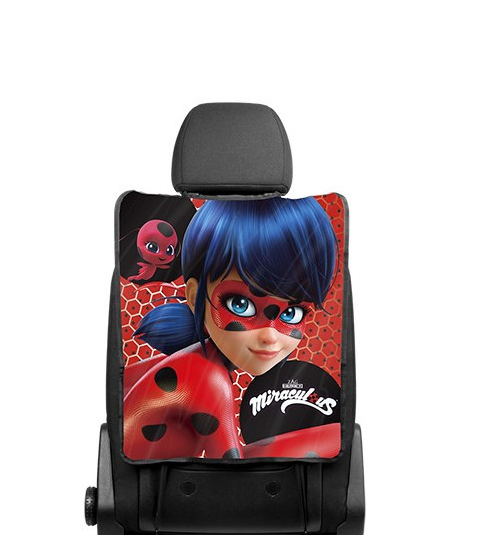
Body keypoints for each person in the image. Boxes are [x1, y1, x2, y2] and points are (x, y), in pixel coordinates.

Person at [122, 195, 339, 461]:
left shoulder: (187, 362)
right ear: (194, 297)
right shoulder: (209, 379)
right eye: (240, 305)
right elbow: (230, 473)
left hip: (157, 477)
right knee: (335, 438)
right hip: (148, 484)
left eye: (292, 313)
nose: (269, 336)